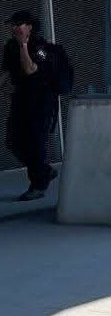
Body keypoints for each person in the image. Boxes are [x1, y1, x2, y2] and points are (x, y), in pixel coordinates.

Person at [1, 11, 59, 201]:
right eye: (13, 25)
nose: (15, 28)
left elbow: (30, 69)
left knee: (35, 143)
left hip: (40, 101)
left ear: (30, 27)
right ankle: (44, 170)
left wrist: (24, 45)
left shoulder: (41, 48)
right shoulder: (10, 47)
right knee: (14, 142)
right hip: (21, 99)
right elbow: (7, 72)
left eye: (19, 24)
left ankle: (38, 185)